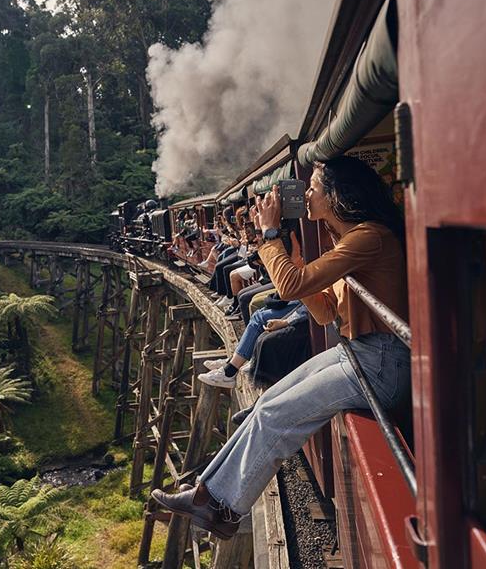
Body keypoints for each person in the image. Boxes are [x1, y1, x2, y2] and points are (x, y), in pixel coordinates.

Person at [151, 156, 409, 539]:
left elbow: (287, 287)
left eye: (313, 188)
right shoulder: (348, 240)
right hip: (362, 354)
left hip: (381, 363)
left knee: (275, 415)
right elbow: (323, 314)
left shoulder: (368, 238)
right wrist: (298, 267)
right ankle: (206, 494)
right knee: (266, 406)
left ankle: (222, 509)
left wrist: (271, 236)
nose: (305, 195)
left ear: (337, 196)